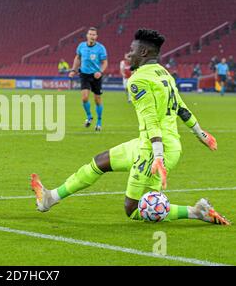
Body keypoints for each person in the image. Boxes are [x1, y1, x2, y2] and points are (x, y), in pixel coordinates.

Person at [31, 28, 230, 226]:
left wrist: (158, 156)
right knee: (100, 162)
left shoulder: (138, 79)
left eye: (132, 50)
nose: (129, 55)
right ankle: (51, 198)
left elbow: (151, 119)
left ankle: (196, 212)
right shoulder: (164, 73)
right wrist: (200, 133)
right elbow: (181, 107)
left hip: (156, 149)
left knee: (134, 209)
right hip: (152, 144)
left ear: (143, 52)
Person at [68, 27, 108, 131]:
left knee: (97, 99)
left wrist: (100, 72)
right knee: (84, 98)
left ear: (96, 37)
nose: (92, 36)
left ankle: (99, 122)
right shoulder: (81, 46)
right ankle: (89, 116)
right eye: (90, 34)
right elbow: (77, 58)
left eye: (94, 35)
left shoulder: (100, 48)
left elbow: (104, 62)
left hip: (96, 76)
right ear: (87, 35)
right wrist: (73, 70)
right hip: (84, 74)